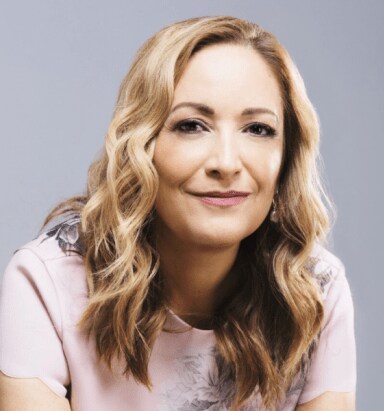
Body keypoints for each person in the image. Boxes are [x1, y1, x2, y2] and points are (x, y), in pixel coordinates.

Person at [0, 16, 356, 411]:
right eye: (191, 125)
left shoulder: (314, 293)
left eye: (257, 129)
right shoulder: (48, 281)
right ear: (141, 145)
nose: (226, 162)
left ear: (286, 158)